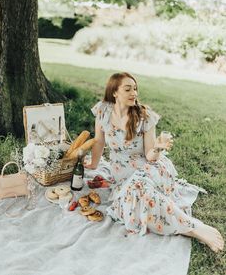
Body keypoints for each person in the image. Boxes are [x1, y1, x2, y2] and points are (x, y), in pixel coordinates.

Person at [85, 72, 224, 253]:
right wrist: (94, 164)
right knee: (132, 200)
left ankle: (193, 228)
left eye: (135, 89)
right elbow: (100, 141)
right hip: (122, 176)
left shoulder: (144, 116)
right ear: (114, 93)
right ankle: (188, 226)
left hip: (150, 167)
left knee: (139, 190)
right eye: (128, 89)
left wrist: (158, 147)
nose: (134, 93)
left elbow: (150, 156)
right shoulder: (102, 111)